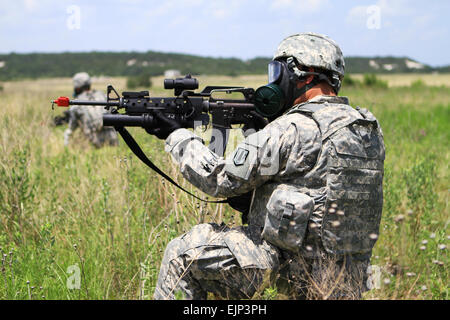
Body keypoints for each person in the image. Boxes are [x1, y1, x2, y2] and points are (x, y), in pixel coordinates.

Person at [150, 33, 385, 300]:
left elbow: (218, 179)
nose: (274, 81)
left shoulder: (292, 128)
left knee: (181, 255)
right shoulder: (367, 129)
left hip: (292, 270)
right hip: (349, 277)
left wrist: (178, 135)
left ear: (305, 75)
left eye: (278, 72)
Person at [63, 72, 118, 148]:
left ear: (77, 87)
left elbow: (71, 129)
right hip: (113, 139)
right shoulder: (104, 96)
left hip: (94, 143)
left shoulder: (77, 103)